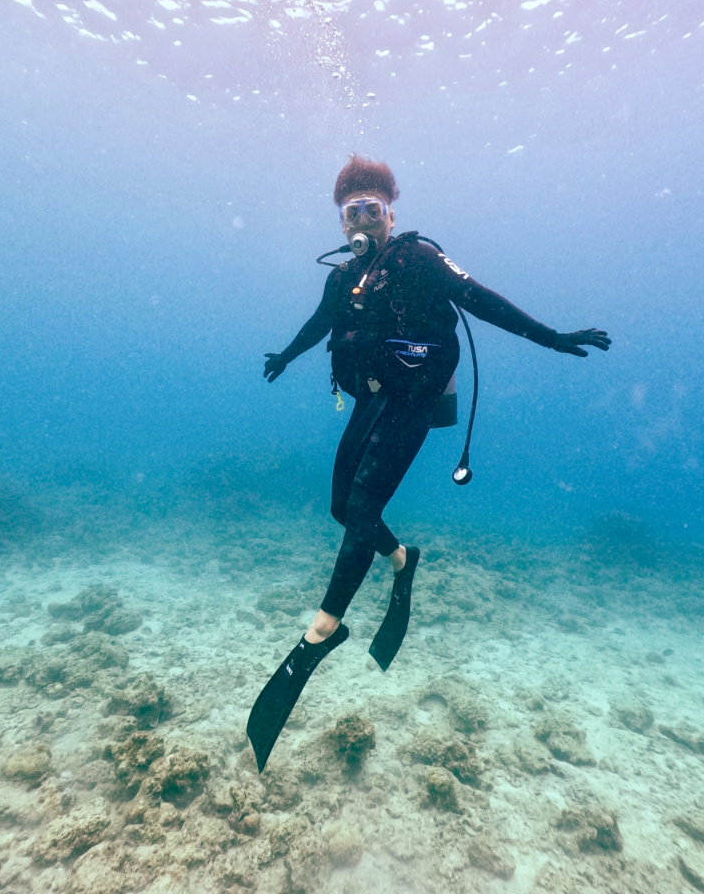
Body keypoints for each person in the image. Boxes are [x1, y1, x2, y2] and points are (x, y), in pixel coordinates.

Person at [246, 156, 610, 772]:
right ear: (341, 223)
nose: (362, 221)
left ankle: (323, 630)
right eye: (351, 212)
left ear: (392, 213)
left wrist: (554, 337)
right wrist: (286, 353)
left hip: (414, 401)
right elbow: (320, 324)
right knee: (341, 506)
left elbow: (481, 300)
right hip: (371, 396)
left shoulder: (417, 261)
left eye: (373, 210)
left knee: (363, 505)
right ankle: (401, 558)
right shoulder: (342, 280)